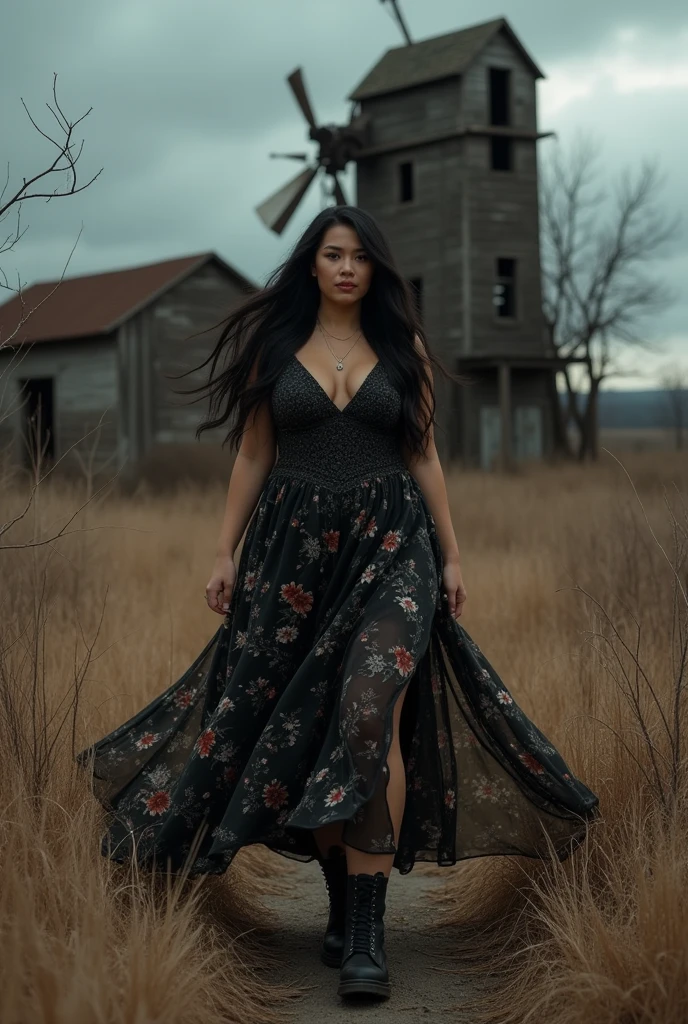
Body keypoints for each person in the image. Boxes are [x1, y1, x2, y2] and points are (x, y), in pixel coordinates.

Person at [76, 205, 600, 1004]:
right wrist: (224, 549)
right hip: (292, 560)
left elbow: (423, 453)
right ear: (312, 265)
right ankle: (338, 895)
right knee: (306, 728)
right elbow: (253, 452)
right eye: (332, 254)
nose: (347, 267)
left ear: (375, 269)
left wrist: (452, 554)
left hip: (395, 548)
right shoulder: (276, 350)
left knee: (365, 715)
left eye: (360, 256)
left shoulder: (401, 349)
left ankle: (367, 933)